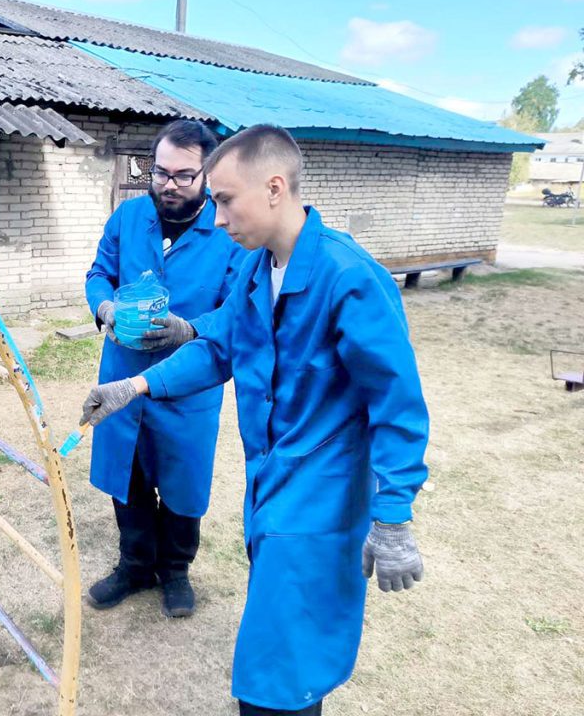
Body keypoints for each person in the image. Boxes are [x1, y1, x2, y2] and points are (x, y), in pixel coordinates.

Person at [81, 125, 429, 714]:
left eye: (223, 199)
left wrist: (393, 514)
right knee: (289, 653)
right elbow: (219, 345)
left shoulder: (347, 278)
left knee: (276, 671)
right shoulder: (255, 270)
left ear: (274, 188)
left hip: (318, 494)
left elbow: (396, 403)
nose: (215, 219)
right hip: (267, 483)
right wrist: (134, 385)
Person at [84, 119, 245, 619]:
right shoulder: (129, 217)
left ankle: (175, 570)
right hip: (122, 377)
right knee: (127, 478)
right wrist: (105, 308)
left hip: (188, 387)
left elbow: (238, 309)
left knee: (181, 481)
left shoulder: (227, 232)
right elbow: (99, 274)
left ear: (206, 175)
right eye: (158, 172)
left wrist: (191, 330)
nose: (168, 185)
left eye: (182, 176)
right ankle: (134, 565)